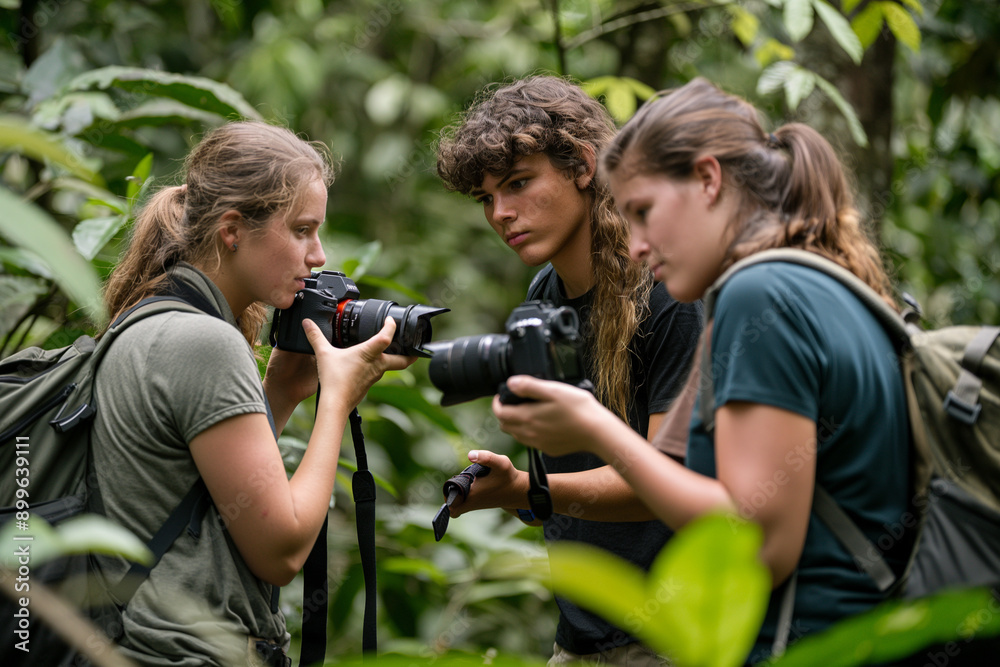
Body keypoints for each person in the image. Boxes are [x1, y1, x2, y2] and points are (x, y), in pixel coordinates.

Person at [488, 77, 916, 664]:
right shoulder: (815, 279)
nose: (635, 245)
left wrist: (594, 428)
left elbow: (760, 540)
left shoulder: (759, 295)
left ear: (709, 181)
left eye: (643, 212)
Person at [90, 121, 414, 667]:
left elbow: (206, 495)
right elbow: (281, 550)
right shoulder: (206, 342)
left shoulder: (148, 320)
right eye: (303, 230)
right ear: (233, 229)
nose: (319, 254)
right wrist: (335, 400)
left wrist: (284, 389)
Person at [435, 75, 703, 666]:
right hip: (580, 638)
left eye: (518, 184)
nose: (501, 213)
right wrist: (517, 490)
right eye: (485, 198)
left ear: (584, 165)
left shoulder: (669, 292)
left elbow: (667, 482)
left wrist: (533, 493)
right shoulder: (543, 296)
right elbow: (574, 481)